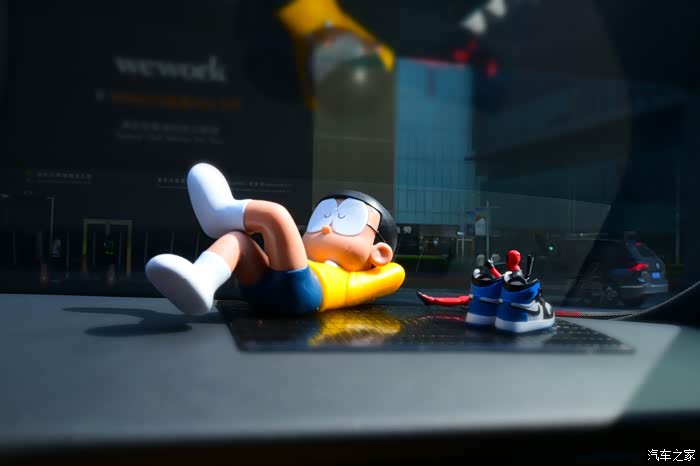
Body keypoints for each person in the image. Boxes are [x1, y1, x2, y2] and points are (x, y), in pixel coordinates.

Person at [146, 163, 404, 315]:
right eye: (321, 218)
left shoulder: (359, 279)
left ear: (379, 252)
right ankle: (202, 280)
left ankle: (219, 213)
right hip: (265, 288)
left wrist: (376, 262)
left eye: (346, 221)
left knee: (276, 216)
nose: (326, 228)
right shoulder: (298, 260)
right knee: (238, 240)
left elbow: (394, 274)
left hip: (305, 291)